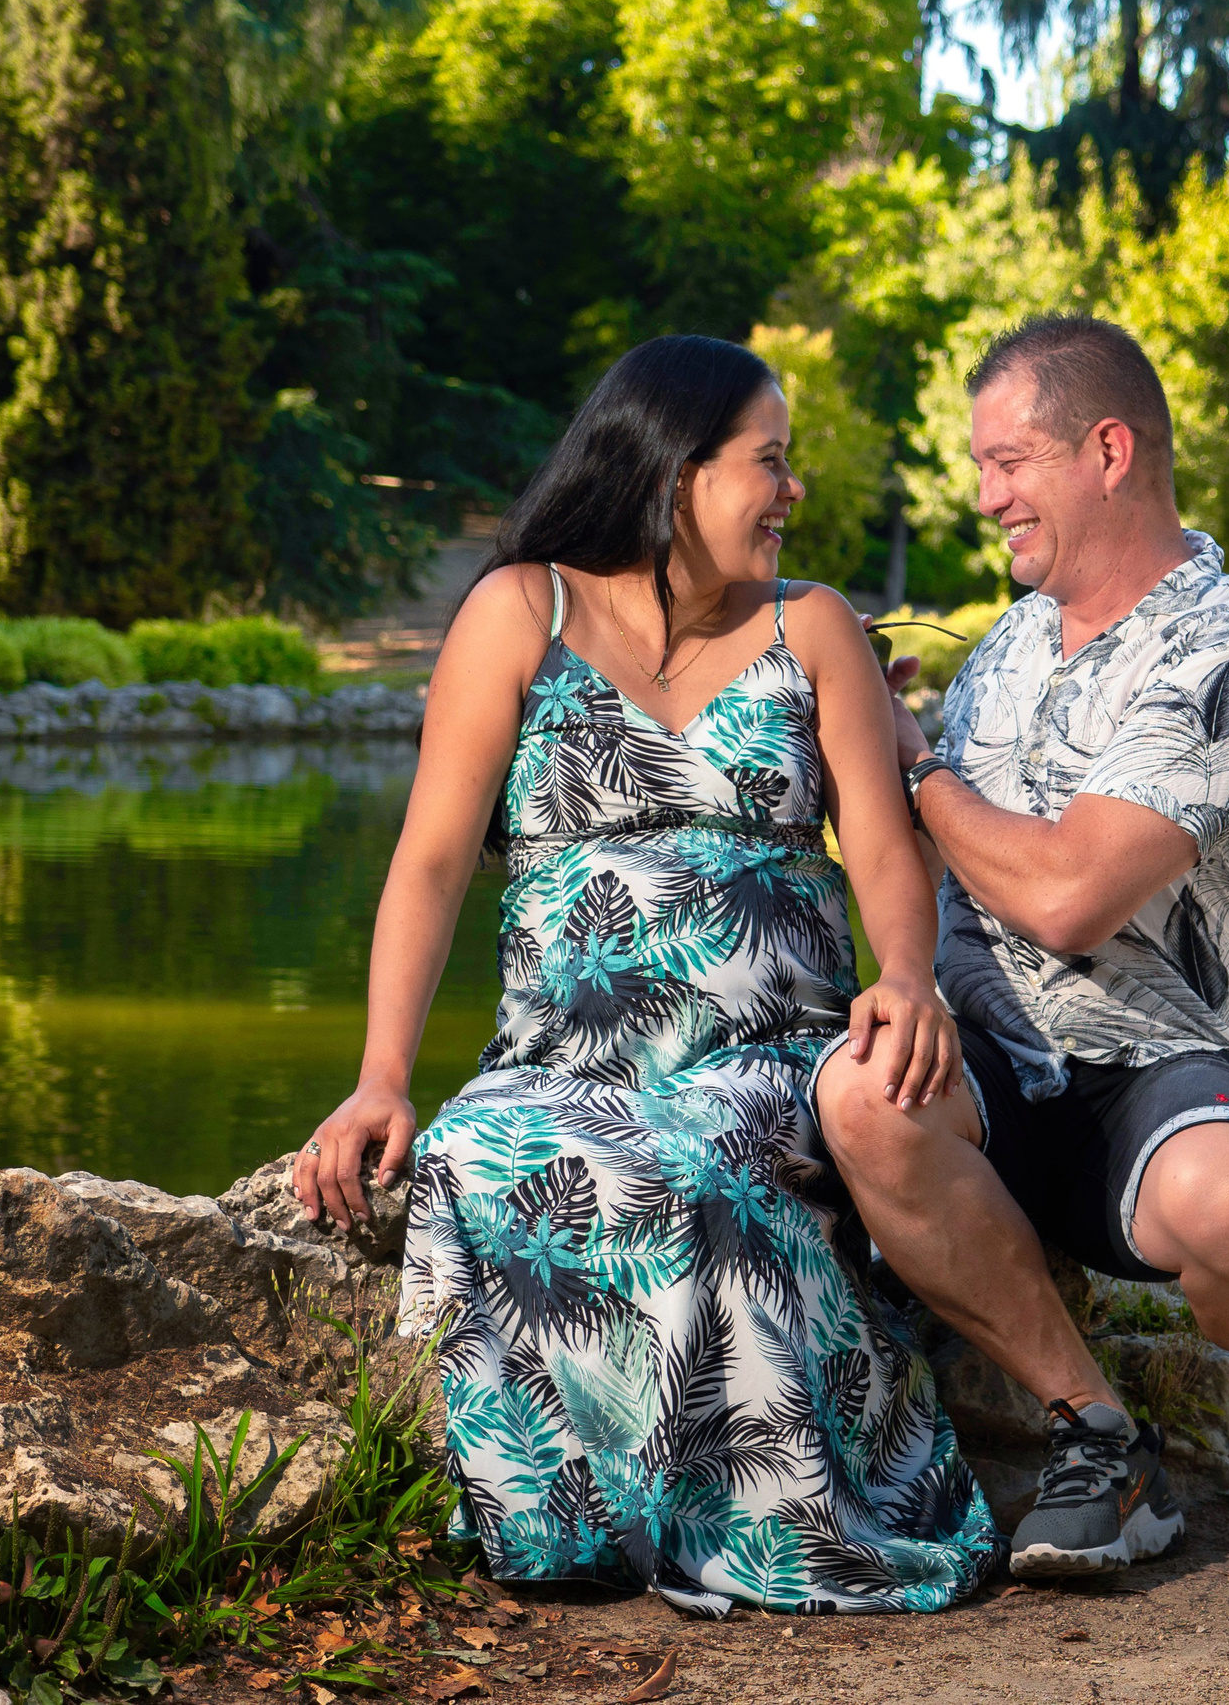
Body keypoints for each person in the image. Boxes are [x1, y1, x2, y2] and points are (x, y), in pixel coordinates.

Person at [290, 335, 999, 1616]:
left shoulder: (812, 627)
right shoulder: (521, 612)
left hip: (769, 1055)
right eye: (769, 462)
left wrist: (905, 975)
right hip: (563, 1059)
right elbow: (431, 864)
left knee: (693, 1157)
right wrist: (380, 1078)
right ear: (678, 475)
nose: (792, 491)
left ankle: (769, 1529)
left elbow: (884, 847)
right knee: (474, 1152)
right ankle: (572, 1528)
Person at [818, 316, 1229, 1584]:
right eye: (981, 468)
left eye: (1008, 462)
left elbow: (1066, 897)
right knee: (863, 1093)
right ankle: (1097, 1431)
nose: (986, 497)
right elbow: (934, 858)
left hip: (1159, 1069)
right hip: (992, 1064)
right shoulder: (1004, 649)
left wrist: (915, 765)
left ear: (1107, 451)